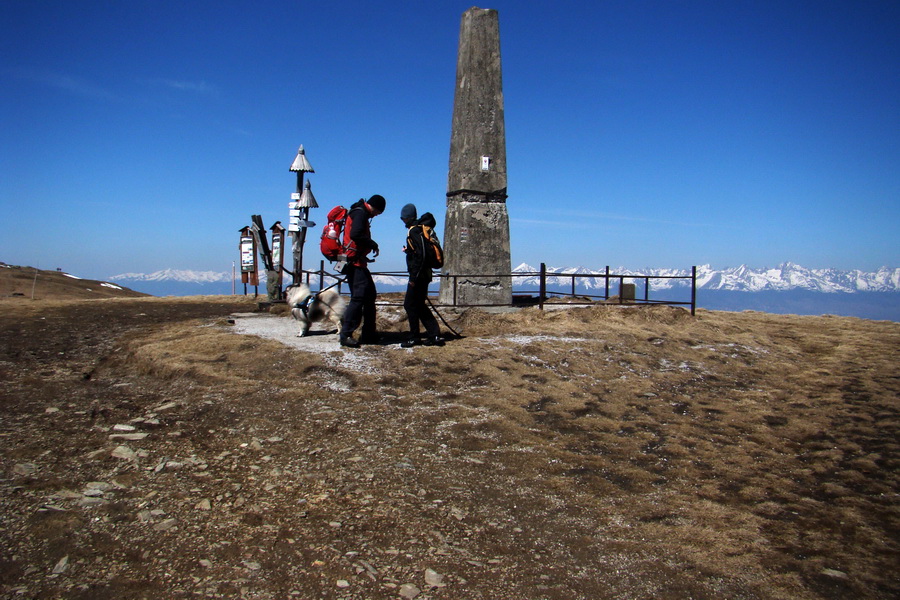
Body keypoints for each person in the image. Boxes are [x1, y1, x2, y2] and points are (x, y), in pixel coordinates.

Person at [339, 194, 386, 348]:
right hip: (355, 262)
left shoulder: (359, 212)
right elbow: (356, 234)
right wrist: (372, 243)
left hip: (357, 261)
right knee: (359, 297)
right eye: (378, 212)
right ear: (374, 206)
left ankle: (368, 333)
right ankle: (346, 334)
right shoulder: (360, 213)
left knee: (369, 295)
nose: (377, 215)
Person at [400, 203, 444, 348]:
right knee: (419, 305)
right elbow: (421, 252)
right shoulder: (420, 230)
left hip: (418, 275)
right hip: (425, 274)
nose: (402, 221)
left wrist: (413, 277)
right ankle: (435, 335)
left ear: (407, 217)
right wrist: (409, 251)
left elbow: (421, 255)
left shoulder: (414, 231)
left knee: (410, 304)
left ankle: (414, 337)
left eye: (403, 218)